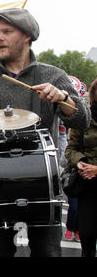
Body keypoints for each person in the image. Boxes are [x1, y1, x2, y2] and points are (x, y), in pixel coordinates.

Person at [0, 8, 91, 257]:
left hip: (43, 186)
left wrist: (63, 98)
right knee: (1, 253)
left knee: (48, 253)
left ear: (27, 36)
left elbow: (82, 119)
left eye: (7, 32)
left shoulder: (53, 75)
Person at [65, 77, 97, 257]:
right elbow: (70, 149)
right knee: (87, 234)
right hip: (88, 186)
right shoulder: (84, 117)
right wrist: (80, 162)